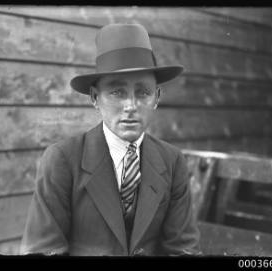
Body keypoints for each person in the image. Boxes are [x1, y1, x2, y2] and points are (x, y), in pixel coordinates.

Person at [20, 23, 200, 256]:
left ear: (156, 98)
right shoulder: (63, 160)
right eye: (117, 92)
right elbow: (42, 249)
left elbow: (182, 249)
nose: (131, 106)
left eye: (143, 92)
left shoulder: (172, 161)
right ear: (95, 98)